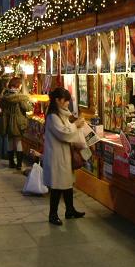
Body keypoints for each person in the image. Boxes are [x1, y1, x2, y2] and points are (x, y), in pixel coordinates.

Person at [43, 87, 85, 226]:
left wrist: (75, 125)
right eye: (65, 100)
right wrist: (75, 125)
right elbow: (64, 133)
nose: (67, 103)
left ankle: (70, 210)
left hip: (64, 155)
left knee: (67, 184)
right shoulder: (53, 116)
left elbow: (68, 131)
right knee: (57, 186)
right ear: (57, 101)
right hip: (57, 157)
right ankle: (53, 214)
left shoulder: (63, 114)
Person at [0, 77, 31, 170]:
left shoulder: (5, 95)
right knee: (18, 142)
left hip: (7, 122)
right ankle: (19, 164)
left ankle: (11, 162)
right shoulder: (21, 97)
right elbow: (26, 108)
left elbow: (2, 106)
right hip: (18, 122)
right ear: (18, 85)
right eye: (20, 84)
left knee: (10, 141)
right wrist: (30, 106)